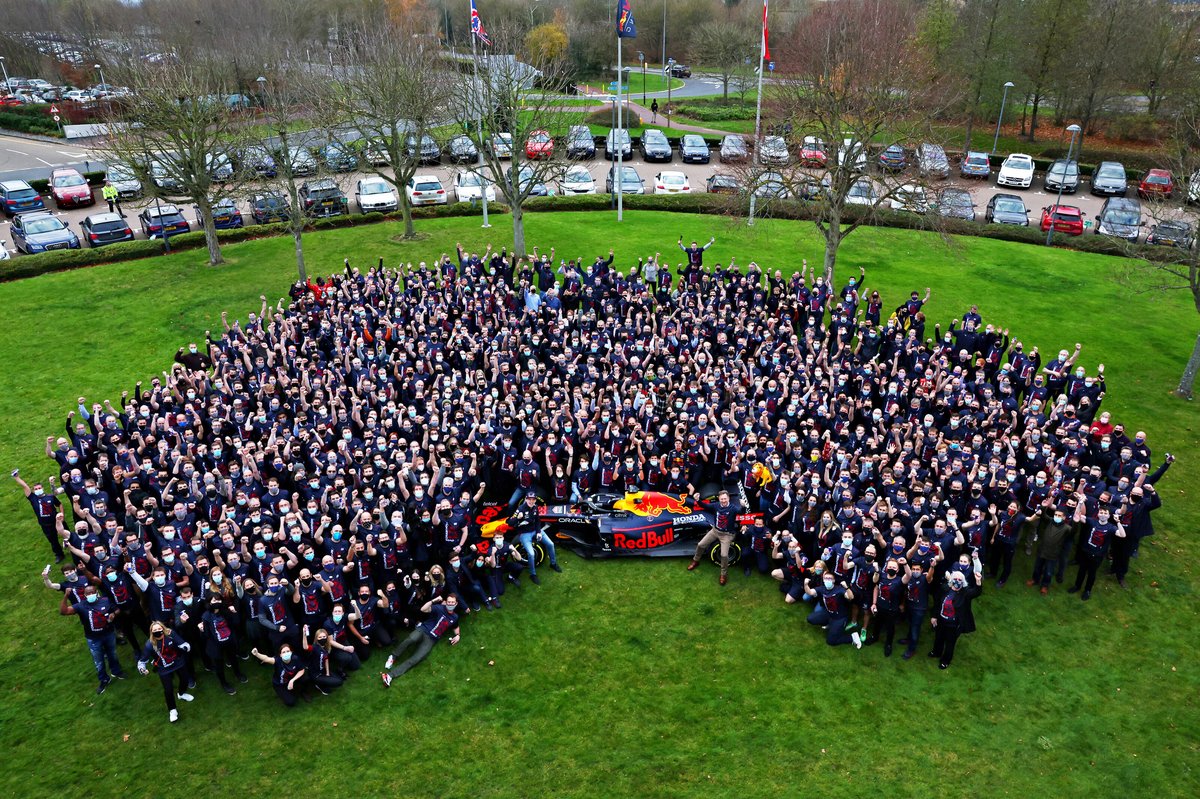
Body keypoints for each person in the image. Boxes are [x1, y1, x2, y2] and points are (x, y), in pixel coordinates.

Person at [60, 582, 126, 694]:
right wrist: (66, 596)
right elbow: (64, 611)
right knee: (99, 661)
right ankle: (104, 679)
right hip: (93, 639)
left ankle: (116, 671)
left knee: (113, 654)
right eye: (88, 593)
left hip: (108, 634)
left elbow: (116, 610)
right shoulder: (81, 606)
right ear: (85, 596)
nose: (90, 594)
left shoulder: (105, 601)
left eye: (92, 592)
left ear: (97, 593)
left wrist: (113, 615)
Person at [381, 594, 461, 686]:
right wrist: (434, 600)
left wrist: (458, 635)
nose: (450, 604)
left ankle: (390, 675)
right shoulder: (439, 608)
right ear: (446, 602)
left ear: (456, 603)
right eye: (449, 602)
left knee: (416, 659)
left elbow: (456, 626)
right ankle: (393, 656)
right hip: (423, 630)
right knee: (411, 639)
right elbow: (423, 609)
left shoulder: (455, 617)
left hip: (432, 639)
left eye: (452, 602)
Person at [136, 622, 195, 723]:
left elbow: (183, 643)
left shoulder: (171, 634)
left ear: (163, 628)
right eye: (154, 631)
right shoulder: (149, 644)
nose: (157, 631)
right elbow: (142, 662)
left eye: (159, 629)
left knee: (185, 679)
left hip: (178, 662)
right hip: (164, 668)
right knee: (168, 689)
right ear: (151, 632)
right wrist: (142, 669)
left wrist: (185, 647)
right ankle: (172, 710)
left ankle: (181, 693)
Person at [687, 489, 742, 586]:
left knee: (724, 555)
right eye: (722, 499)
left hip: (727, 534)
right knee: (700, 545)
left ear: (728, 498)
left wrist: (743, 506)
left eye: (725, 499)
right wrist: (698, 500)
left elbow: (740, 512)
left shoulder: (733, 508)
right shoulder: (716, 505)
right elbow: (705, 506)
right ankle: (696, 561)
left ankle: (723, 575)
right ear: (719, 499)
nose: (723, 501)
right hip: (715, 531)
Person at [13, 469, 64, 562]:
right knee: (53, 540)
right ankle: (59, 555)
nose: (38, 490)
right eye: (36, 489)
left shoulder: (50, 497)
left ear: (43, 488)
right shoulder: (33, 498)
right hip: (45, 524)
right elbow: (25, 486)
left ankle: (73, 546)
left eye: (39, 488)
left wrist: (62, 514)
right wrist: (17, 477)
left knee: (66, 534)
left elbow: (59, 504)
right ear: (33, 490)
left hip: (57, 520)